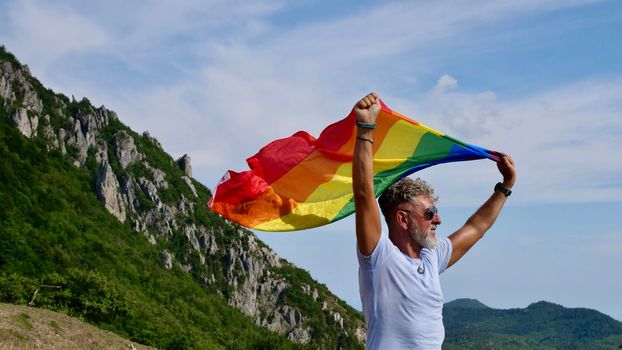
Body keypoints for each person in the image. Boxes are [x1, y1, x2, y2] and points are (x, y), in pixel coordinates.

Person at [352, 92, 516, 349]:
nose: (437, 220)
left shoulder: (431, 259)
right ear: (402, 219)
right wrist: (365, 128)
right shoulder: (380, 259)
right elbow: (364, 195)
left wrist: (505, 187)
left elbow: (476, 227)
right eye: (429, 213)